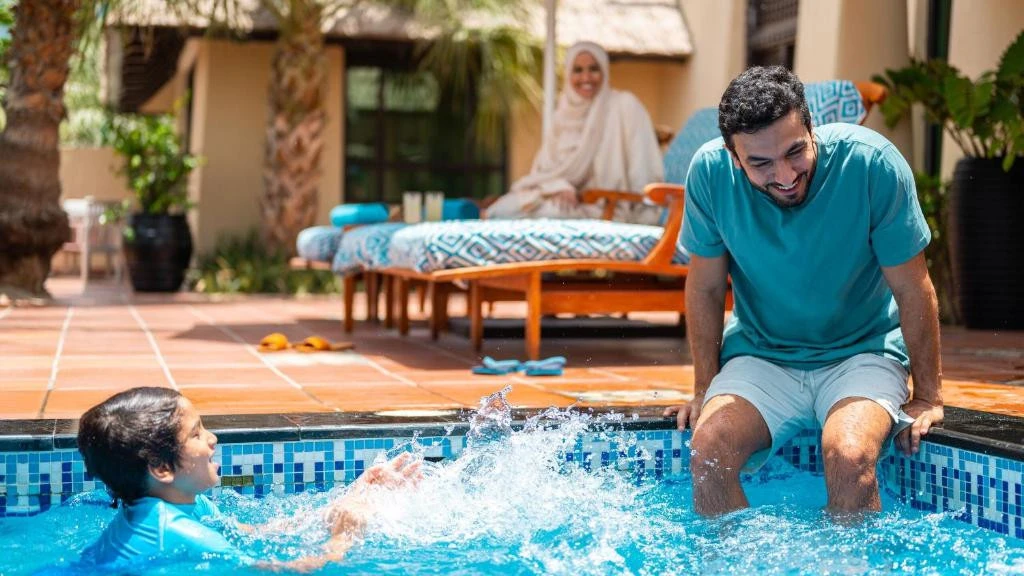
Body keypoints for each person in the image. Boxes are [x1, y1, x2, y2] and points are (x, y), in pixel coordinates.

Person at [663, 66, 944, 516]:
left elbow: (914, 288)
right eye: (761, 163)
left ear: (811, 127)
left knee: (850, 457)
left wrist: (929, 394)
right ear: (734, 158)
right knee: (708, 452)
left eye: (795, 151)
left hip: (863, 352)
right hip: (761, 355)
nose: (786, 174)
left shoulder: (871, 164)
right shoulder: (711, 174)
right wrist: (703, 387)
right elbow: (706, 287)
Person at [76, 387, 421, 569]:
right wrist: (345, 534)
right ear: (162, 469)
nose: (212, 439)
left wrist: (349, 497)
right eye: (195, 434)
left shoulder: (185, 502)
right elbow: (290, 570)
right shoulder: (177, 531)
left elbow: (255, 533)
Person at [485, 41, 663, 223]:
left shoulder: (624, 105)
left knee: (545, 213)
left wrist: (644, 215)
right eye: (578, 70)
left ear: (604, 71)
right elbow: (543, 170)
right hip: (557, 198)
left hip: (605, 208)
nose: (586, 77)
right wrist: (558, 187)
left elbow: (643, 168)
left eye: (594, 69)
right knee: (501, 209)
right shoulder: (562, 115)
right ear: (568, 74)